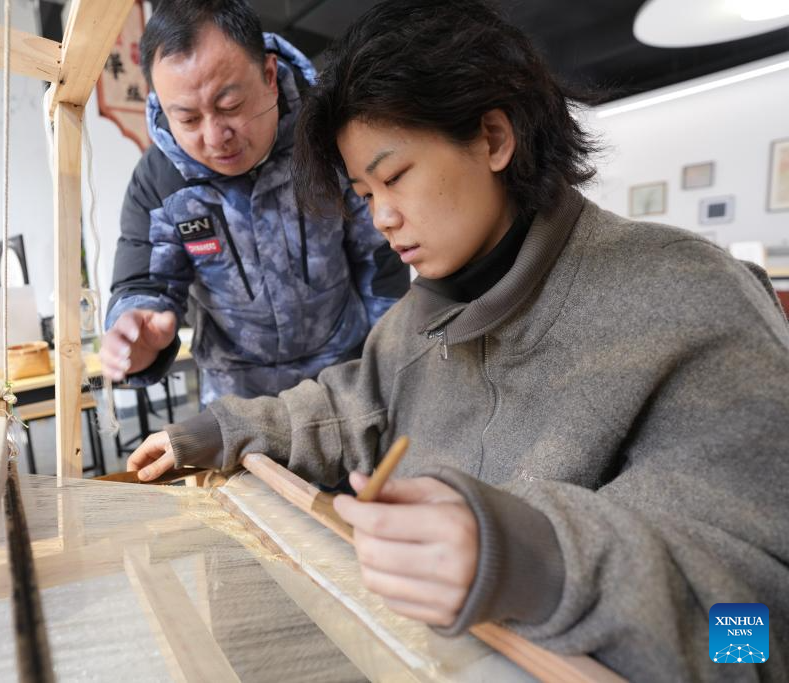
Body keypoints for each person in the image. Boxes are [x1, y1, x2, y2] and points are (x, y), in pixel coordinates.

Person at [125, 1, 789, 679]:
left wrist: (538, 561)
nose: (381, 215)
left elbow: (760, 634)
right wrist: (219, 427)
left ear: (494, 138)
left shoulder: (689, 298)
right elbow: (346, 405)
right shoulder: (417, 322)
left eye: (394, 176)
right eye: (363, 190)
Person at [100, 0, 408, 405]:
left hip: (345, 380)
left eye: (229, 106)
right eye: (188, 120)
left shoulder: (329, 139)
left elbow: (379, 261)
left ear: (268, 76)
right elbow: (145, 283)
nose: (214, 137)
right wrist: (135, 334)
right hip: (239, 401)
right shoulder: (161, 184)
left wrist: (388, 371)